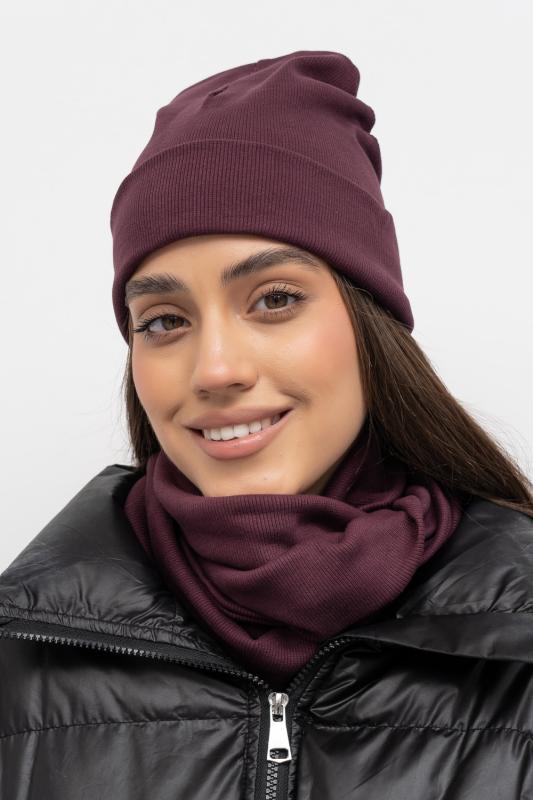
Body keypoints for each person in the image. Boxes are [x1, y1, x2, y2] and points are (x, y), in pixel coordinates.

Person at [1, 49, 532, 800]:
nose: (215, 369)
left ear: (369, 323)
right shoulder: (19, 655)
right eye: (164, 320)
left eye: (274, 299)